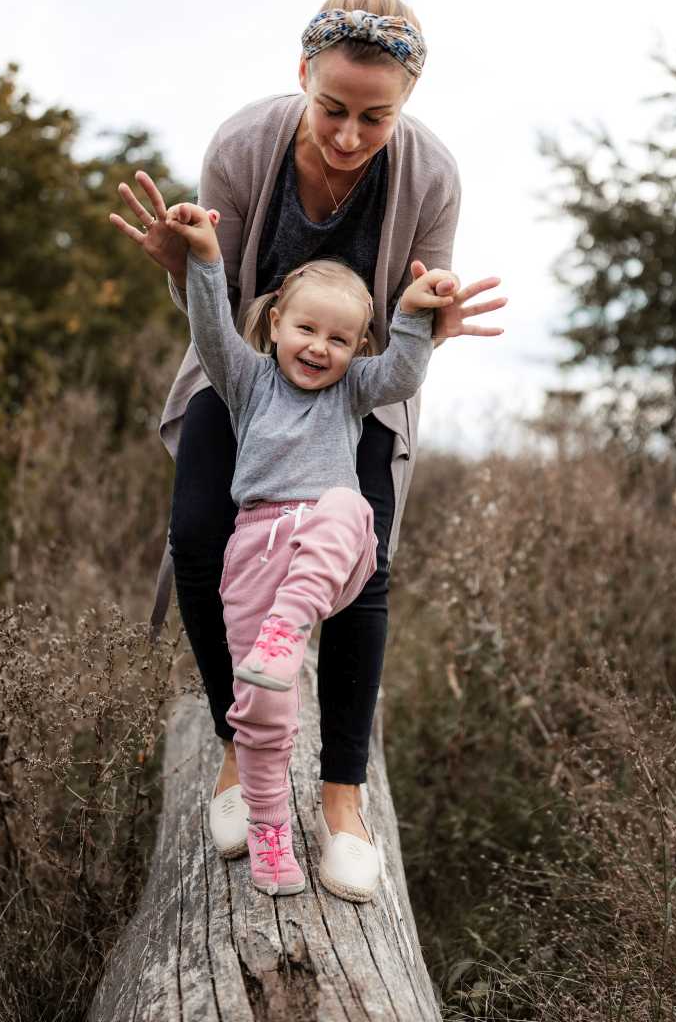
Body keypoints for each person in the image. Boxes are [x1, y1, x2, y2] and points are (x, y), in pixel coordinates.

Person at [110, 0, 506, 901]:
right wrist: (185, 270)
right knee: (201, 534)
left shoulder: (432, 175)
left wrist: (429, 321)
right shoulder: (243, 147)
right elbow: (213, 307)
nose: (348, 135)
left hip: (356, 386)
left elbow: (417, 321)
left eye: (376, 116)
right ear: (302, 76)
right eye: (333, 108)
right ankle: (231, 747)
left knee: (367, 559)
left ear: (407, 103)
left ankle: (341, 800)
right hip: (247, 366)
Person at [161, 198, 465, 896]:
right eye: (305, 328)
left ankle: (287, 630)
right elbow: (209, 328)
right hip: (255, 552)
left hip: (331, 548)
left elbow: (402, 376)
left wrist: (414, 315)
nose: (319, 347)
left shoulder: (354, 391)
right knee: (261, 715)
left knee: (347, 505)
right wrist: (207, 258)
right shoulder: (244, 381)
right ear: (274, 325)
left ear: (357, 348)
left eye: (339, 338)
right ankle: (271, 837)